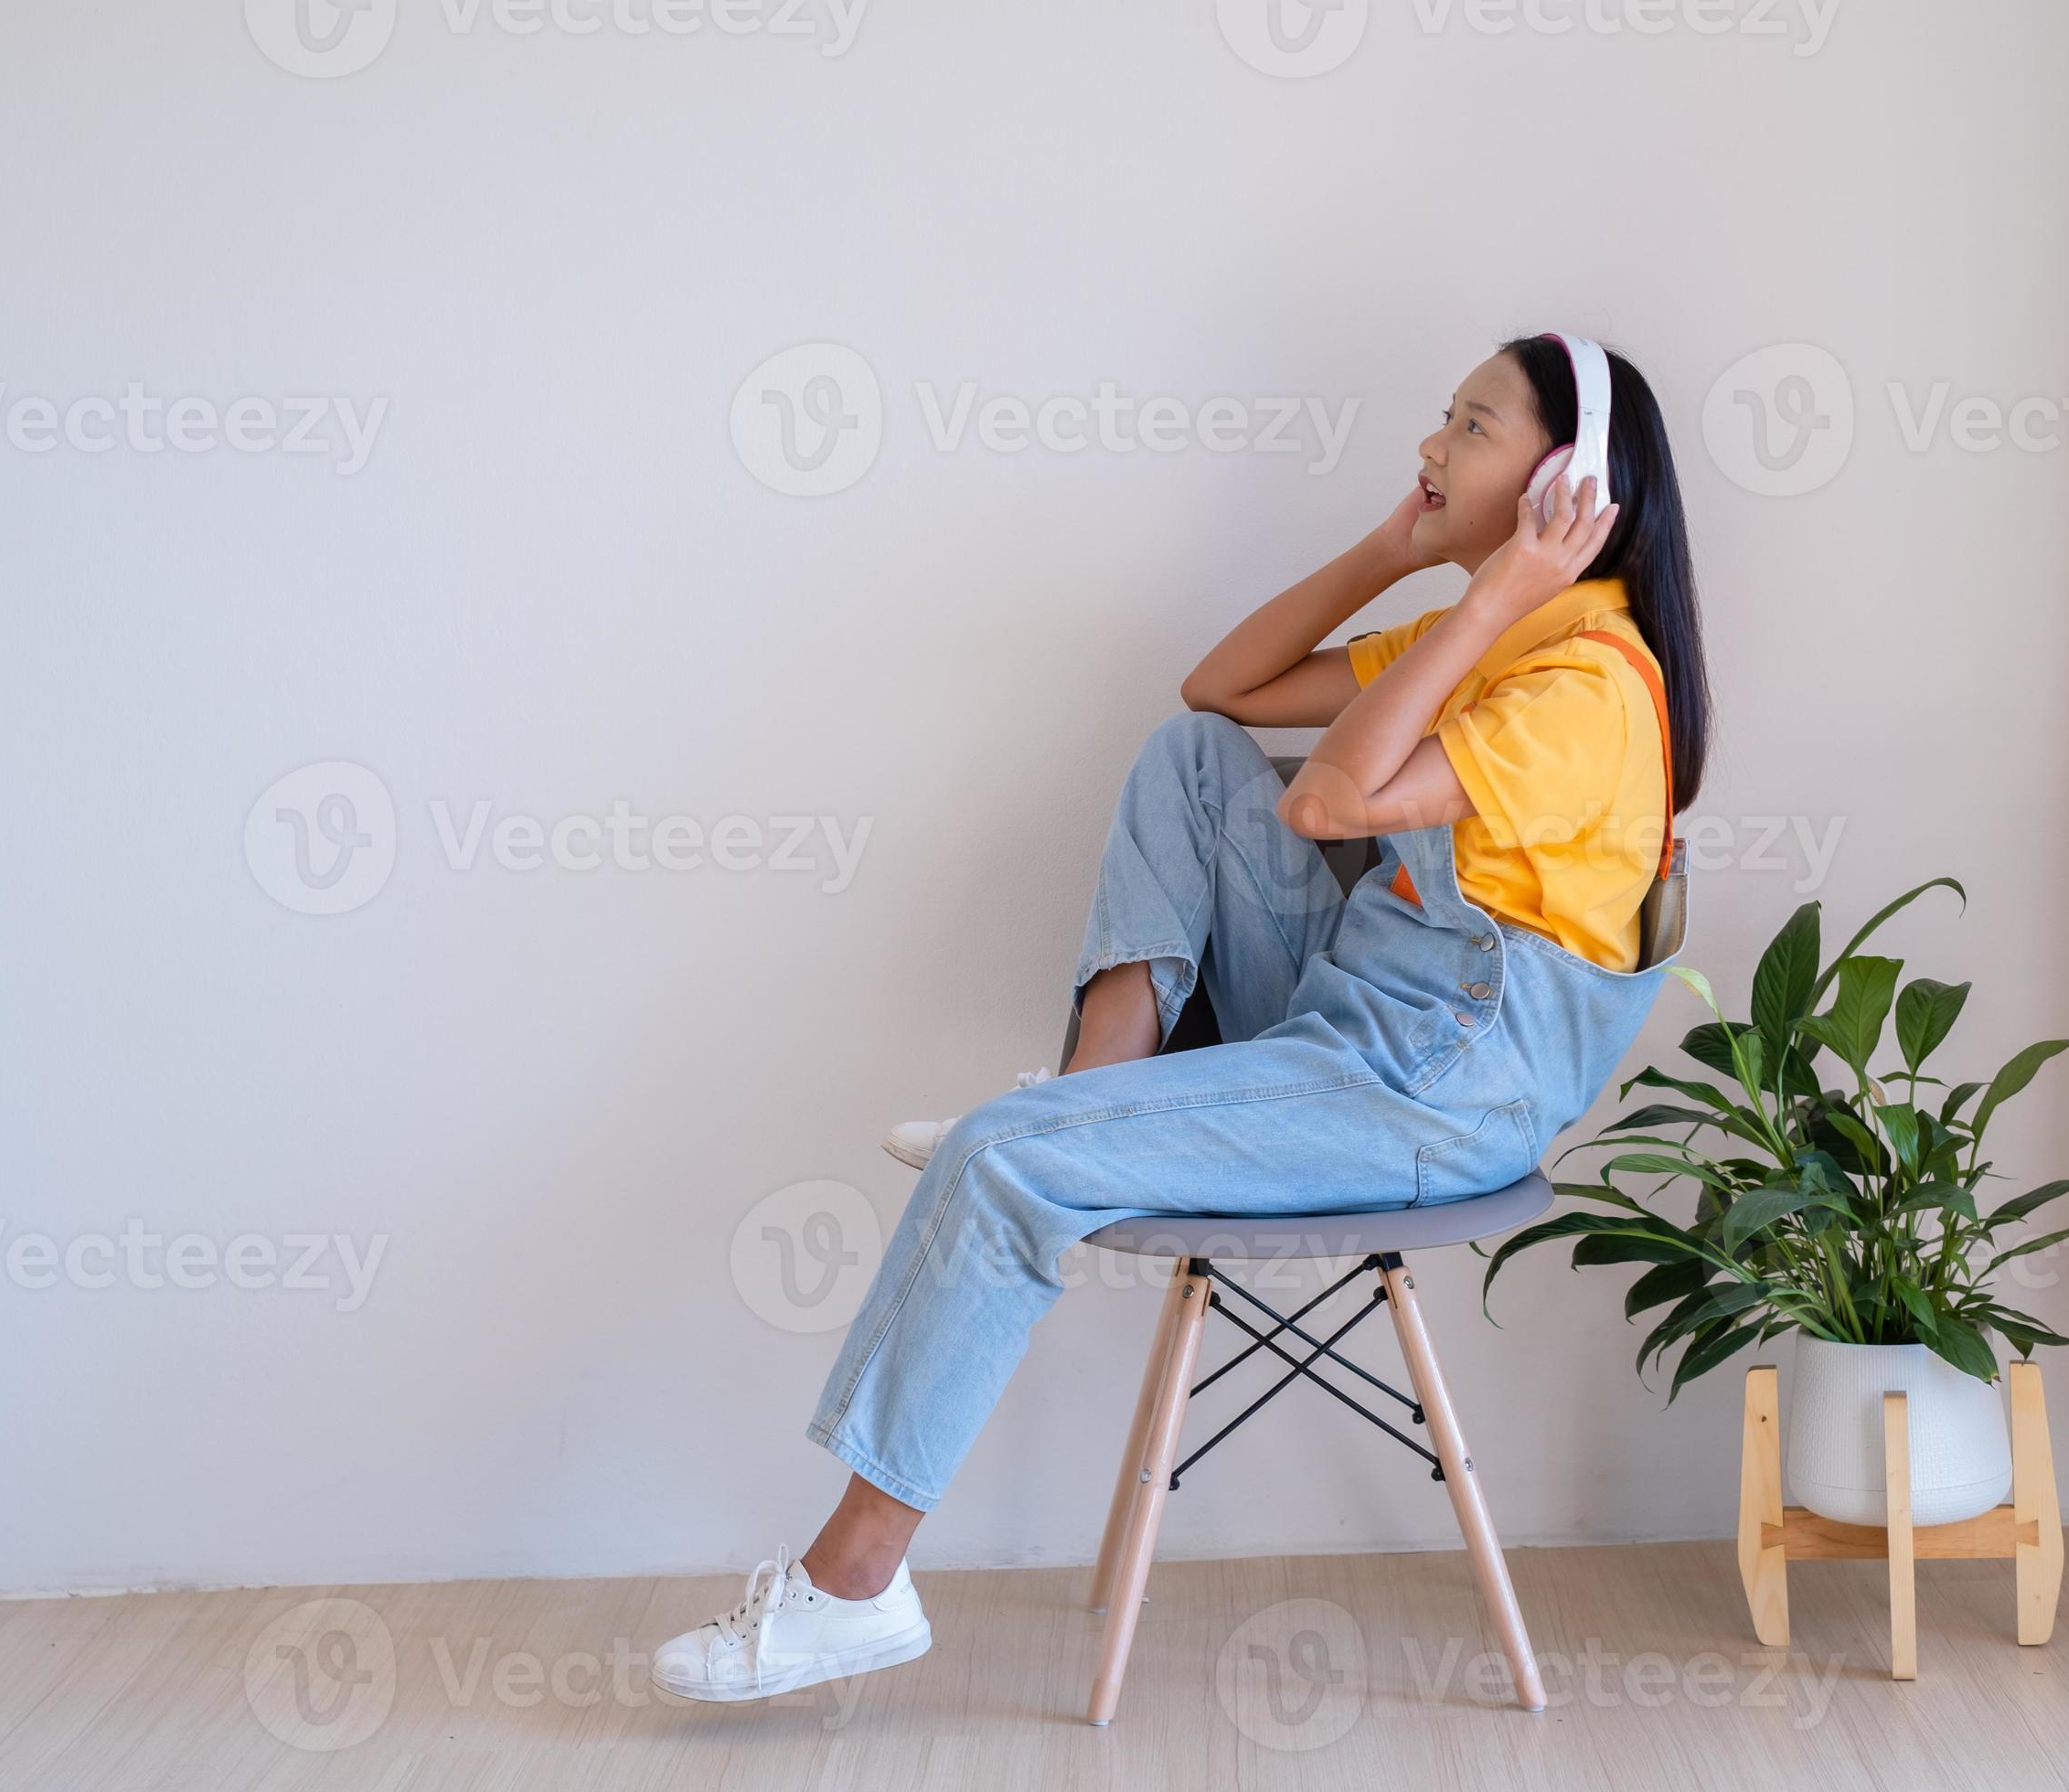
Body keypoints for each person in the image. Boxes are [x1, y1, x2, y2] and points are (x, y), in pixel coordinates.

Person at [649, 336, 1713, 1704]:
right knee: (1191, 763)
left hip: (1434, 1091)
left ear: (1569, 481)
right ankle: (1090, 1099)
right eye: (1441, 421)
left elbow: (1324, 802)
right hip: (1359, 1017)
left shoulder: (1575, 687)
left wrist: (1498, 580)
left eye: (1470, 427)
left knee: (998, 1159)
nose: (1432, 449)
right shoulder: (1509, 638)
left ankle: (853, 1584)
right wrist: (1405, 550)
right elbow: (1226, 694)